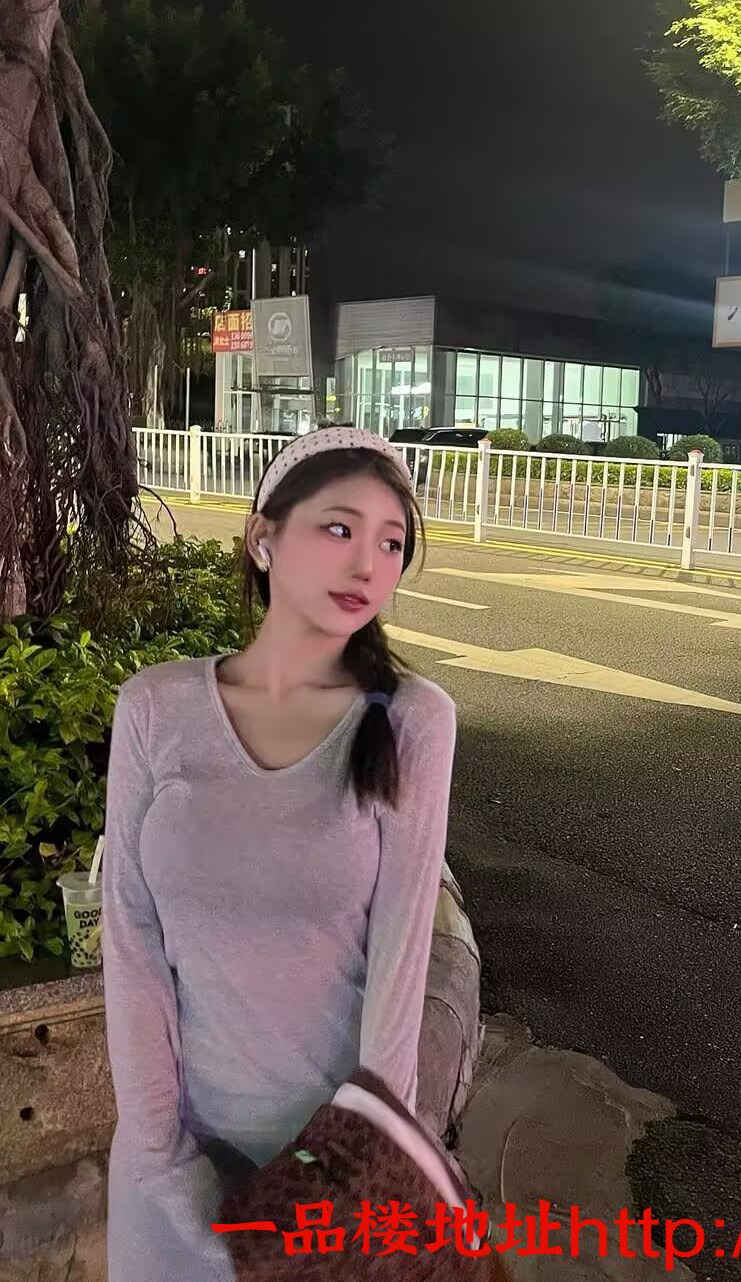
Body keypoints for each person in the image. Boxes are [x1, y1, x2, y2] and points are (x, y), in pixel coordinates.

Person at [102, 427, 458, 1281]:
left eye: (392, 543)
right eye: (338, 528)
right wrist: (160, 1160)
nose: (367, 563)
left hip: (334, 1175)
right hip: (173, 1155)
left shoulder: (414, 720)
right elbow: (131, 938)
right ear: (263, 538)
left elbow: (402, 959)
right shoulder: (155, 707)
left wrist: (357, 1165)